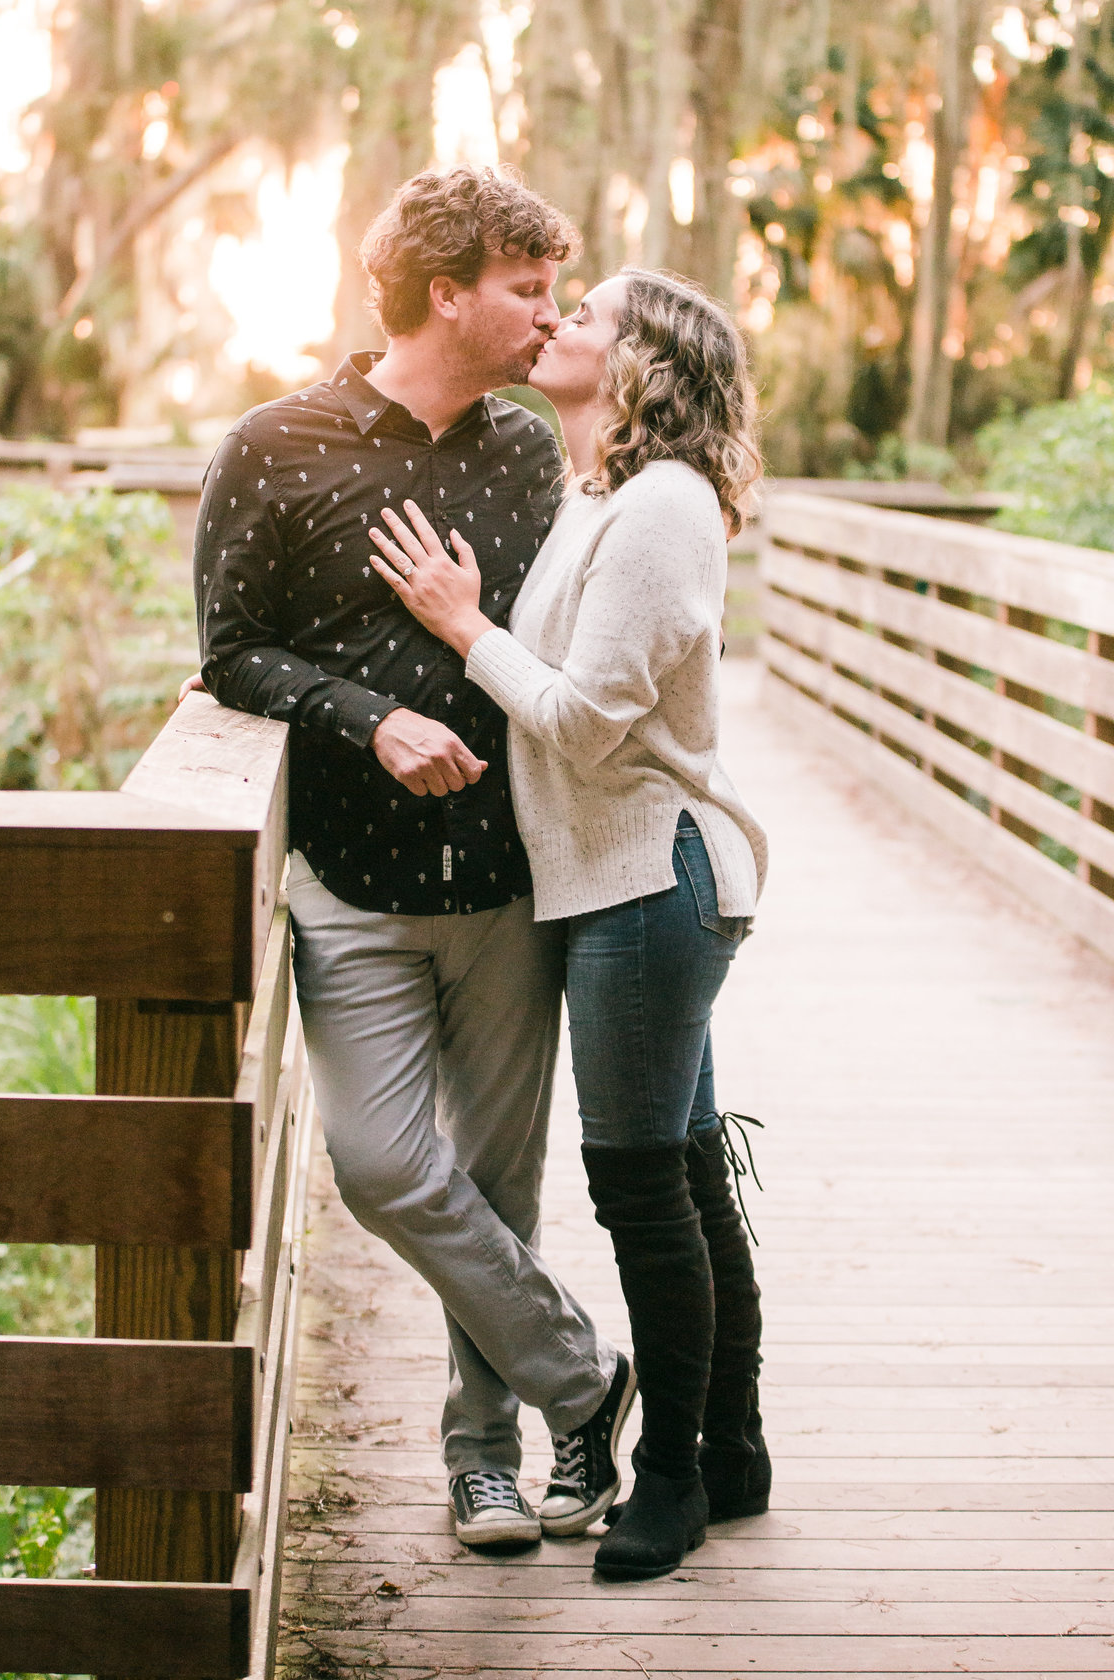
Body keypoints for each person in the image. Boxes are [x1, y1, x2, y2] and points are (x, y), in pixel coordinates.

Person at [190, 166, 638, 1553]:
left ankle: (482, 1461)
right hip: (353, 882)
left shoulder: (524, 455)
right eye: (524, 289)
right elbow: (229, 652)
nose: (546, 314)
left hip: (510, 881)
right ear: (447, 292)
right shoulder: (275, 442)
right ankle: (585, 1375)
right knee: (386, 1169)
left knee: (497, 1189)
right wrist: (364, 717)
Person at [366, 266, 771, 1580]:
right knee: (691, 1171)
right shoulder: (605, 496)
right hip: (619, 879)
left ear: (644, 360)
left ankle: (676, 1479)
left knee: (643, 1188)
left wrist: (468, 627)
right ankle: (740, 1445)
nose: (558, 325)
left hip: (648, 881)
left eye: (585, 315)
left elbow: (590, 719)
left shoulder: (659, 510)